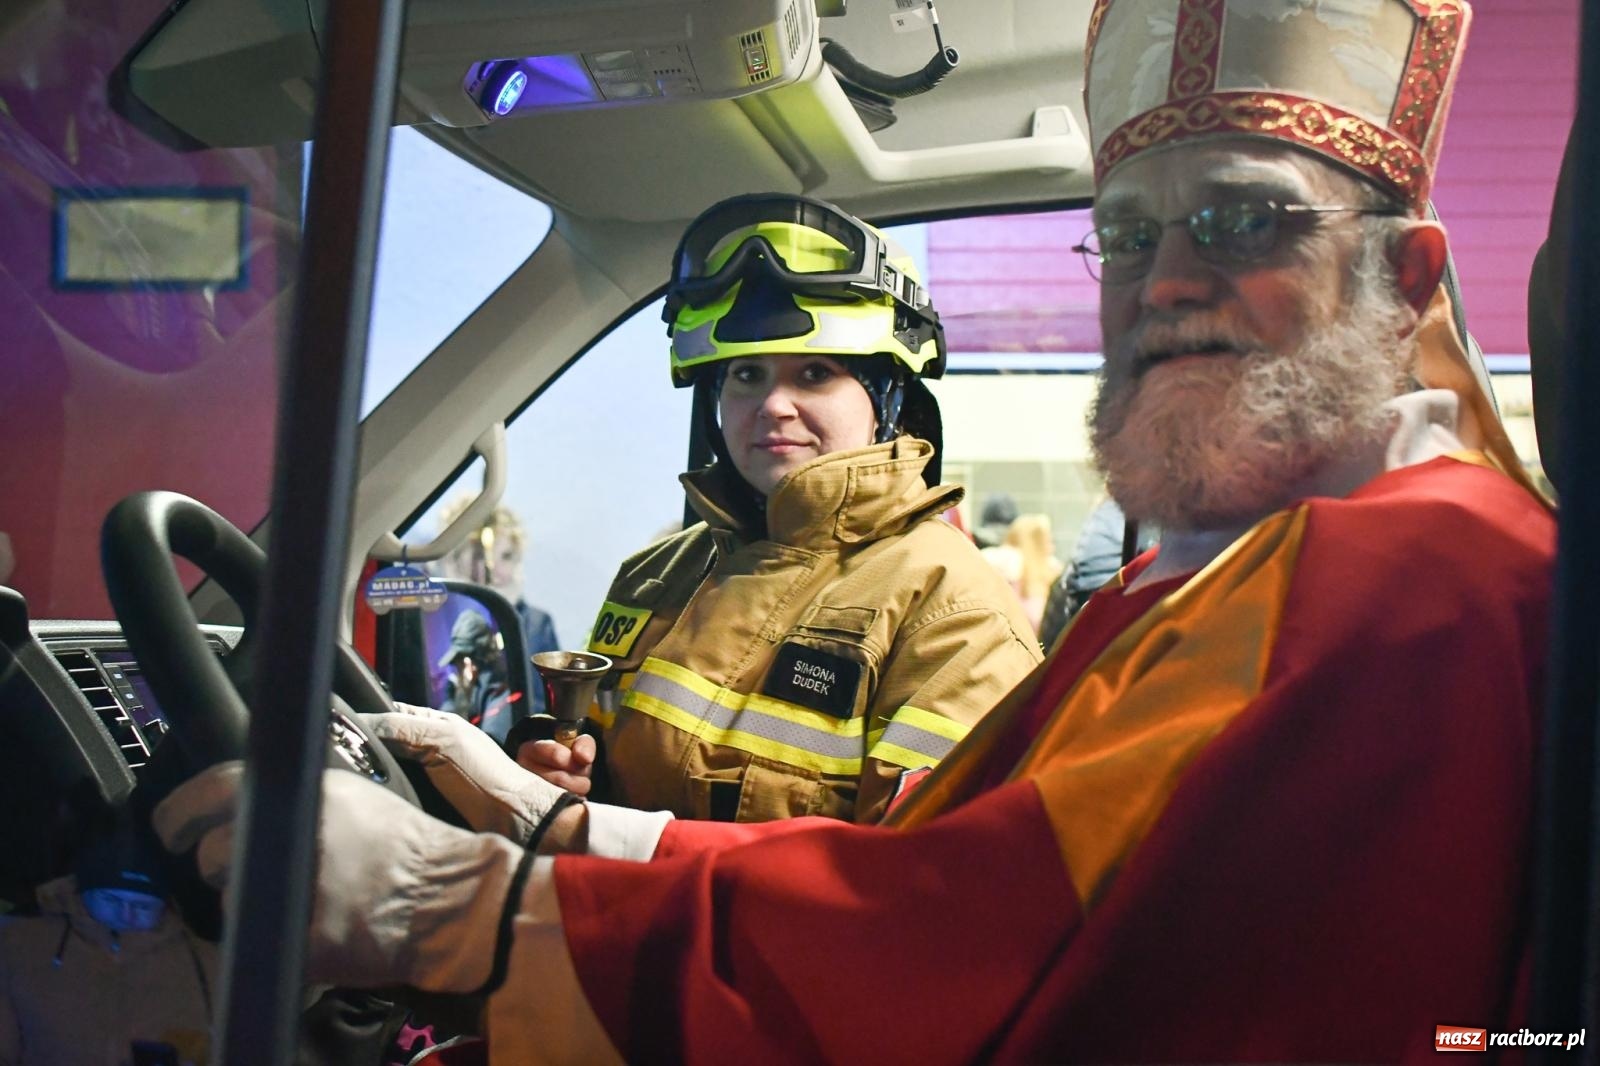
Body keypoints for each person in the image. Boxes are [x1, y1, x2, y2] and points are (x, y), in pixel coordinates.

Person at [157, 0, 1560, 1059]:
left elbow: (951, 949)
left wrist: (460, 907)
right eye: (1127, 236)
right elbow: (937, 868)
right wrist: (555, 820)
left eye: (1246, 220)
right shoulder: (1237, 571)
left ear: (1405, 268)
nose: (1170, 281)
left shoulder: (1396, 584)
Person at [519, 192, 1042, 824]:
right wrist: (565, 772)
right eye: (746, 375)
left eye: (816, 374)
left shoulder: (954, 612)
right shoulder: (654, 574)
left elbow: (918, 880)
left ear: (888, 400)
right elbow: (604, 764)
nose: (772, 406)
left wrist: (637, 852)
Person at [0, 821, 216, 1065]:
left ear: (164, 905)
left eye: (142, 905)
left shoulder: (208, 963)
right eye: (111, 900)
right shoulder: (18, 945)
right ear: (83, 893)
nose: (127, 915)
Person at [434, 498, 563, 715]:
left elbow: (549, 707)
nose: (494, 570)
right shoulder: (436, 622)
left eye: (506, 556)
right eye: (479, 556)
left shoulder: (536, 625)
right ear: (454, 559)